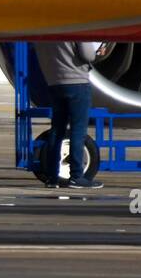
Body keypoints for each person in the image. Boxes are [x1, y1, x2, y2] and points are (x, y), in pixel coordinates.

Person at [33, 41, 104, 189]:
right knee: (78, 131)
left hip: (54, 84)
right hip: (77, 82)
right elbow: (87, 54)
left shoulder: (42, 31)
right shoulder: (74, 26)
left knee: (57, 131)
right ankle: (76, 176)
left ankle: (52, 178)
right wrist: (97, 51)